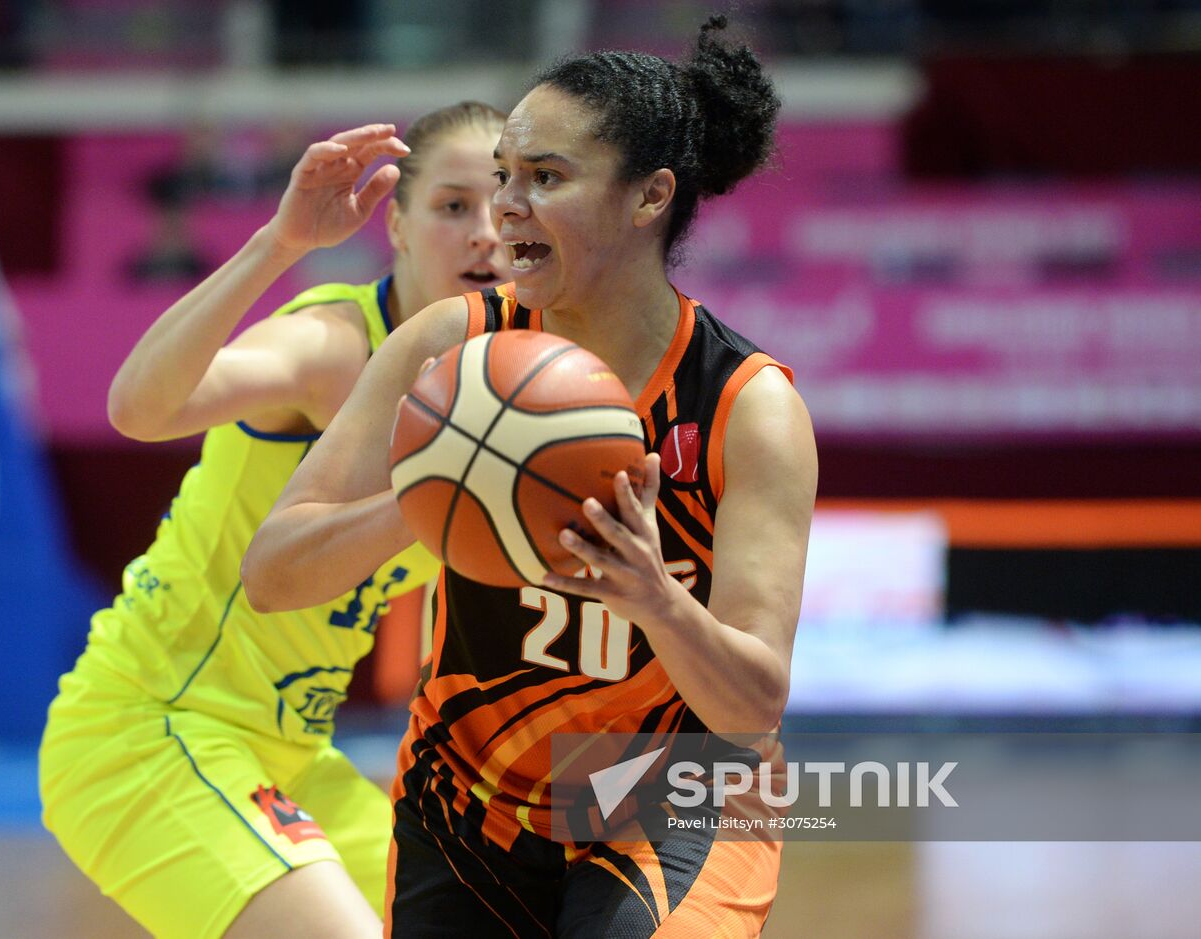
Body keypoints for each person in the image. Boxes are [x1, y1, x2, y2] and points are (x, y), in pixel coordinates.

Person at [241, 16, 817, 938]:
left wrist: (656, 598)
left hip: (670, 796)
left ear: (649, 198)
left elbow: (752, 706)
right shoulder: (449, 344)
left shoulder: (747, 408)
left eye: (545, 178)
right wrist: (431, 490)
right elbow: (272, 574)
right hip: (468, 792)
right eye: (506, 174)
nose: (505, 206)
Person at [39, 101, 510, 939]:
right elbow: (139, 408)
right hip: (149, 729)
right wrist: (281, 244)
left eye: (505, 206)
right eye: (452, 205)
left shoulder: (509, 381)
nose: (484, 233)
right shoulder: (331, 346)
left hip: (293, 757)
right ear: (395, 225)